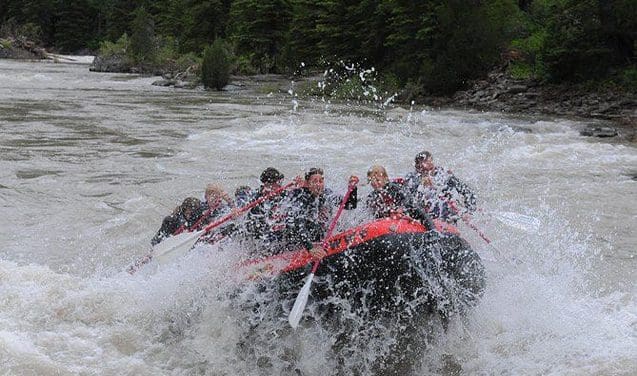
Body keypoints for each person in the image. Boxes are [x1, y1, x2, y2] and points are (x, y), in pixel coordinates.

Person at [284, 167, 358, 257]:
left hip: (319, 234)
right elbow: (299, 224)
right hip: (299, 237)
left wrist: (353, 189)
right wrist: (310, 248)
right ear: (307, 184)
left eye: (321, 181)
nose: (318, 185)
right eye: (314, 181)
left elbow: (349, 205)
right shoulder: (300, 197)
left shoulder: (327, 193)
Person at [404, 151, 476, 222]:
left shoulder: (445, 176)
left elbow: (467, 192)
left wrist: (468, 212)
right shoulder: (412, 178)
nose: (424, 166)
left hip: (444, 216)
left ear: (432, 163)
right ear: (417, 168)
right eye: (421, 166)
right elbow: (406, 197)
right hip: (421, 216)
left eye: (427, 163)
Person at [366, 165, 434, 228]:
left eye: (378, 180)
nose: (375, 183)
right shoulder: (373, 196)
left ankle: (432, 229)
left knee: (415, 208)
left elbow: (407, 198)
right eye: (372, 181)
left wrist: (401, 208)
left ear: (385, 178)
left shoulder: (394, 188)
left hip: (407, 206)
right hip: (393, 215)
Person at [245, 167, 289, 242]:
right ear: (265, 185)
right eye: (273, 186)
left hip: (277, 227)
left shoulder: (284, 194)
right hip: (259, 231)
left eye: (278, 185)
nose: (278, 188)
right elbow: (244, 210)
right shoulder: (256, 198)